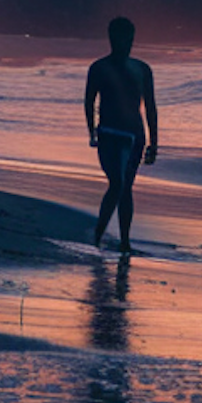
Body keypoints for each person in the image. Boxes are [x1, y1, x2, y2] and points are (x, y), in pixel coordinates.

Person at [84, 17, 158, 254]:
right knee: (117, 183)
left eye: (129, 39)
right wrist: (91, 131)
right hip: (108, 133)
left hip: (135, 136)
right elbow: (88, 101)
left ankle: (124, 241)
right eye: (120, 38)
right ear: (111, 38)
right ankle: (98, 235)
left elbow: (151, 107)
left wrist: (154, 143)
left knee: (125, 187)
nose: (125, 44)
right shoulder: (99, 68)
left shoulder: (142, 69)